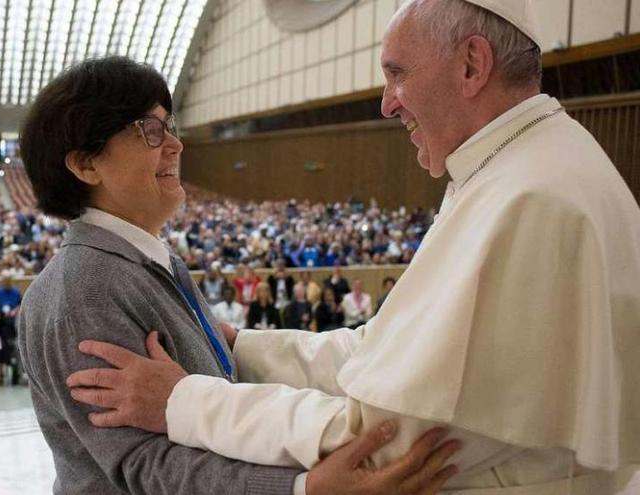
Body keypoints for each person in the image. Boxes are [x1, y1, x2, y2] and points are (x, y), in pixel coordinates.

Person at [65, 2, 640, 493]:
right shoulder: (517, 170)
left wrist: (184, 401)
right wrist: (244, 348)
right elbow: (382, 355)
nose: (388, 102)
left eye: (397, 73)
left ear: (471, 64)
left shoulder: (530, 198)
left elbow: (386, 446)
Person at [17, 56, 456, 495]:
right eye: (149, 131)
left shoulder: (145, 261)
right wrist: (301, 488)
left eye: (170, 126)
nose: (175, 145)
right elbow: (144, 466)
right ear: (86, 164)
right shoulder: (85, 288)